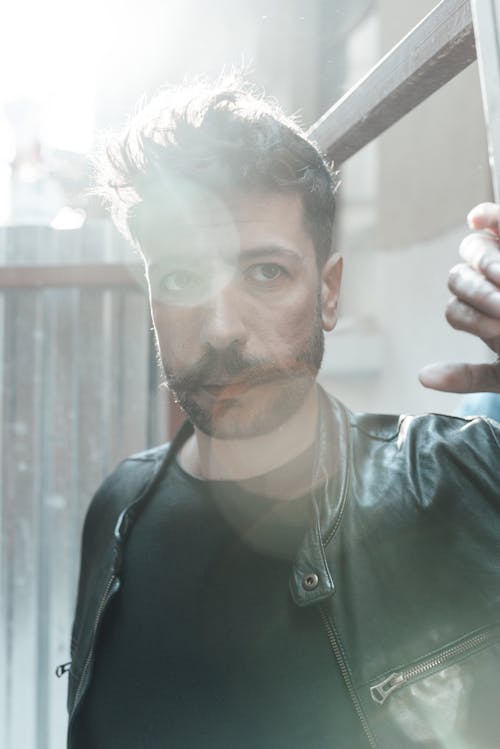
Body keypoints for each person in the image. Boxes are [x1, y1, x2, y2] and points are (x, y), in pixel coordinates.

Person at [64, 78, 500, 749]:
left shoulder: (458, 480)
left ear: (328, 292)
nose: (219, 330)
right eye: (179, 278)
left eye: (265, 272)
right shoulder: (117, 510)